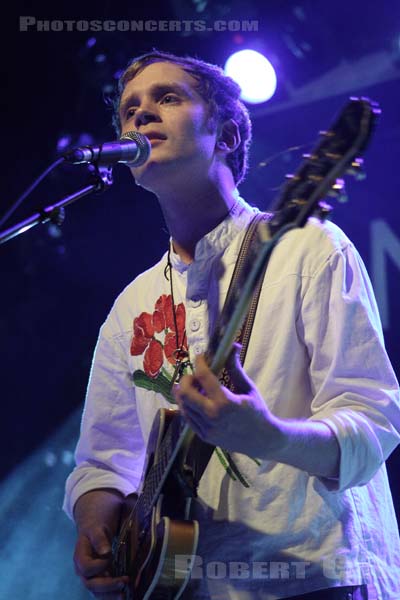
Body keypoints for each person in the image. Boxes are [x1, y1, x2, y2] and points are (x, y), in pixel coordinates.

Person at [63, 50, 400, 600]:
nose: (140, 116)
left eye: (166, 97)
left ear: (225, 136)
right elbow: (105, 459)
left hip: (317, 577)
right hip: (186, 588)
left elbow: (375, 419)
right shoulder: (131, 307)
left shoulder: (308, 247)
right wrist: (96, 525)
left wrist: (267, 436)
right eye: (129, 110)